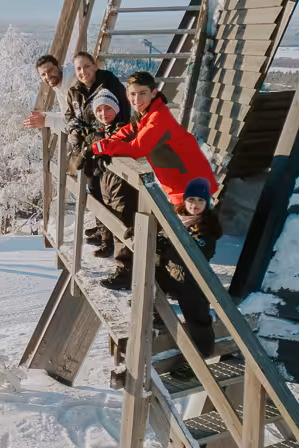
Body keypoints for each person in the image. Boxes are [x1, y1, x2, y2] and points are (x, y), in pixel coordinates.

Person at [89, 70, 217, 289]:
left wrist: (101, 147)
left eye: (142, 93)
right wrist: (105, 143)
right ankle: (164, 296)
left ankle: (184, 301)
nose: (136, 99)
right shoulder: (146, 113)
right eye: (132, 94)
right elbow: (129, 131)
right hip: (178, 187)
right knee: (172, 245)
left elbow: (138, 148)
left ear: (153, 93)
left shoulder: (159, 117)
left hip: (191, 189)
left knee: (186, 250)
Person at [157, 177, 223, 358]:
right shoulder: (176, 219)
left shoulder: (207, 228)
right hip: (170, 273)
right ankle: (156, 317)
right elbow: (162, 236)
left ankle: (202, 355)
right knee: (149, 281)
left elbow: (197, 252)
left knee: (197, 317)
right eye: (191, 199)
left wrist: (168, 243)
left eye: (200, 200)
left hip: (191, 279)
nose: (195, 205)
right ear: (185, 200)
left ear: (207, 204)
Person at [73, 89, 137, 262]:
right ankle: (108, 245)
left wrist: (95, 149)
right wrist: (86, 150)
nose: (104, 113)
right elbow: (78, 163)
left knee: (122, 222)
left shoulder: (124, 129)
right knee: (108, 215)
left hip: (123, 185)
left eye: (108, 108)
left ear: (116, 109)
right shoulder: (95, 134)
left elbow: (120, 145)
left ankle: (124, 269)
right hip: (104, 182)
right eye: (99, 110)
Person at [64, 53, 130, 157]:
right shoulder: (74, 92)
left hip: (108, 145)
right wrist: (74, 130)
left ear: (95, 66)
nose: (83, 72)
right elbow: (70, 115)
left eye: (86, 66)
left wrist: (104, 135)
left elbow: (123, 113)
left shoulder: (110, 85)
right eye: (78, 69)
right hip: (84, 146)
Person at [22, 54, 73, 132]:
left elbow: (77, 122)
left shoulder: (72, 82)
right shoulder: (60, 85)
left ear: (58, 66)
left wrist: (46, 121)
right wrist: (46, 115)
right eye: (43, 74)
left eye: (50, 70)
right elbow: (67, 116)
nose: (48, 76)